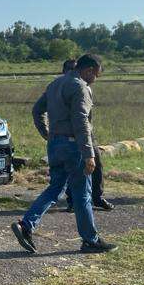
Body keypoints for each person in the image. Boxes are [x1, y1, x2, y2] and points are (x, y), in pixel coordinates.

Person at [12, 54, 117, 254]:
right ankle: (90, 240)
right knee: (83, 194)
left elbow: (37, 110)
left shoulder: (55, 84)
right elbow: (81, 121)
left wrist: (47, 133)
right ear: (88, 70)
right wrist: (89, 154)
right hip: (73, 146)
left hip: (55, 144)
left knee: (55, 188)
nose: (95, 79)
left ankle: (26, 225)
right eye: (96, 75)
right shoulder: (81, 87)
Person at [59, 59, 113, 212]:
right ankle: (73, 201)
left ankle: (97, 197)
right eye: (70, 69)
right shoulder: (63, 87)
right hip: (72, 135)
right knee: (73, 169)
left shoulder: (85, 87)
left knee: (97, 165)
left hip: (87, 133)